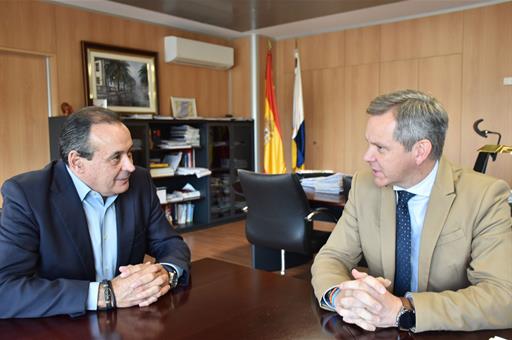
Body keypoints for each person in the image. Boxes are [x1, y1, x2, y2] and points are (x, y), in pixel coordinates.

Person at [311, 89, 512, 332]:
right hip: (376, 331)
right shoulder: (364, 186)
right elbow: (332, 257)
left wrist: (403, 309)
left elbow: (502, 298)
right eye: (368, 144)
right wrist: (339, 296)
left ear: (420, 151)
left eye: (380, 148)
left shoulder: (484, 196)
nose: (366, 156)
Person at [0, 107, 191, 318]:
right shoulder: (27, 195)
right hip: (60, 325)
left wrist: (165, 273)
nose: (130, 166)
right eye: (116, 157)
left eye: (129, 153)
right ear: (77, 162)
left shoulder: (140, 183)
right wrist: (106, 294)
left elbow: (170, 244)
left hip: (128, 321)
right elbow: (5, 290)